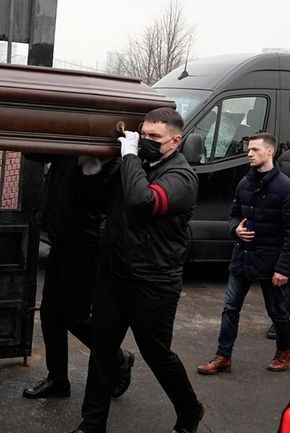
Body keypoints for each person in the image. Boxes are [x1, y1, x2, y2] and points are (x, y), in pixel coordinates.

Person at [70, 108, 203, 433]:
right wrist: (92, 171)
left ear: (175, 141)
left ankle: (190, 409)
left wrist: (128, 156)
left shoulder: (182, 178)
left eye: (153, 138)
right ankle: (92, 425)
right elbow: (99, 202)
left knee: (157, 355)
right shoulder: (137, 166)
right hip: (114, 275)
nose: (144, 142)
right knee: (101, 353)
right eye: (142, 135)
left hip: (153, 283)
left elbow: (142, 201)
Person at [20, 154, 135, 400]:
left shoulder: (108, 154)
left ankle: (118, 359)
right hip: (62, 237)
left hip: (86, 243)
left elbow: (98, 200)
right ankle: (58, 380)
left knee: (76, 317)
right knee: (51, 315)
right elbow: (34, 153)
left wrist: (90, 170)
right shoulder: (69, 143)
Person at [197, 133, 290, 375]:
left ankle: (284, 350)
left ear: (270, 152)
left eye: (255, 150)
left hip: (271, 262)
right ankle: (223, 355)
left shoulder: (285, 188)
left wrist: (283, 268)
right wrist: (235, 229)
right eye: (249, 149)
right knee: (230, 308)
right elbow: (234, 213)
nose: (249, 153)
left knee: (278, 312)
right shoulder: (244, 183)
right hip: (242, 258)